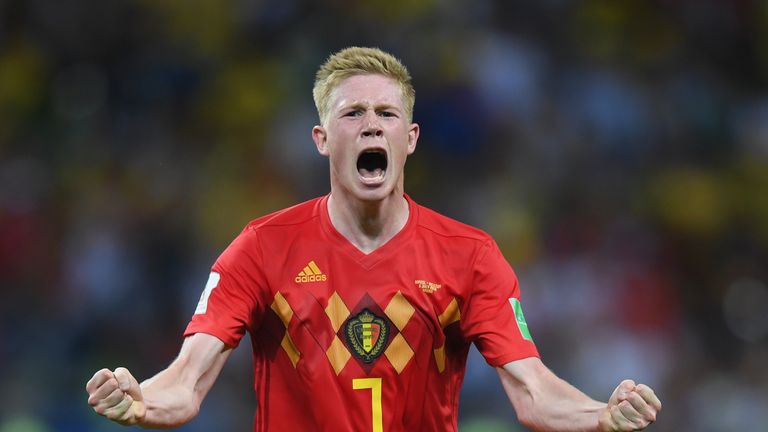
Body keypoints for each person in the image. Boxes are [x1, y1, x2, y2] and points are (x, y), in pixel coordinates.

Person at [86, 46, 662, 431]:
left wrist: (599, 415)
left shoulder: (471, 255)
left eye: (386, 114)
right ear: (320, 138)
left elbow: (533, 391)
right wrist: (140, 400)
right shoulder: (261, 247)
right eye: (352, 112)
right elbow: (187, 382)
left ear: (409, 138)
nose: (370, 124)